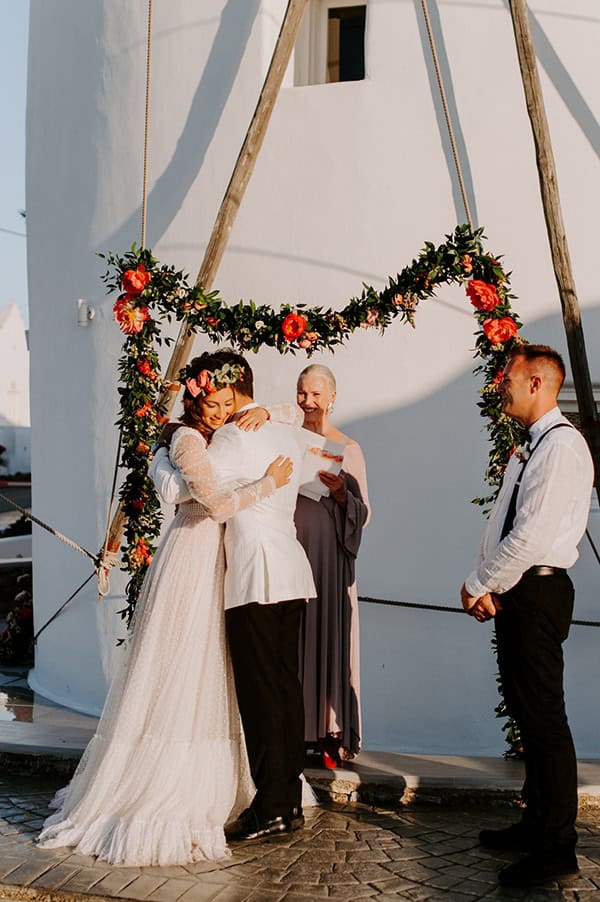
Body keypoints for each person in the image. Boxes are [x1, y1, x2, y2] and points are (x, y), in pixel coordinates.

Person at [37, 354, 295, 866]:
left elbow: (286, 424)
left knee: (209, 666)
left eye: (228, 403)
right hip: (193, 558)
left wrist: (272, 410)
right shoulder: (187, 440)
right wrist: (270, 482)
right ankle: (165, 781)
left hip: (212, 555)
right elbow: (217, 506)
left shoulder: (198, 435)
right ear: (196, 399)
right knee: (181, 663)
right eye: (214, 403)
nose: (221, 412)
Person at [149, 351, 317, 843]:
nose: (215, 408)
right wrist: (279, 409)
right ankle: (288, 797)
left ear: (226, 389)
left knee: (261, 696)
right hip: (290, 569)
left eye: (219, 398)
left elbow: (189, 491)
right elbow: (304, 423)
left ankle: (272, 808)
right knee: (286, 691)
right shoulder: (283, 430)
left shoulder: (232, 436)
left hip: (254, 573)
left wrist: (160, 454)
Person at [460, 344, 594, 889]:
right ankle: (535, 822)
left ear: (537, 383)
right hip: (519, 589)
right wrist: (489, 581)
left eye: (508, 377)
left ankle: (558, 845)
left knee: (544, 720)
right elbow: (502, 526)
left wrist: (478, 584)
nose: (500, 384)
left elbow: (533, 534)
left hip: (538, 591)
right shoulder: (533, 447)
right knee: (525, 712)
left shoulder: (561, 447)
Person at [295, 364, 370, 765]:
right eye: (302, 393)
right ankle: (292, 728)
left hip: (329, 558)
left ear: (333, 397)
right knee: (292, 638)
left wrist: (342, 495)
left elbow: (364, 512)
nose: (308, 402)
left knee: (327, 636)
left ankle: (327, 732)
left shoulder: (349, 449)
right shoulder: (287, 439)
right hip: (289, 548)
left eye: (316, 394)